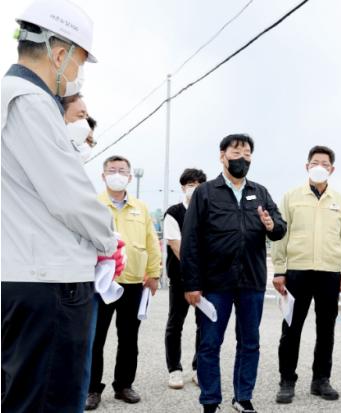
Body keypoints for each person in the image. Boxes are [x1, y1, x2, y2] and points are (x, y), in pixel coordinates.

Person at [1, 1, 124, 412]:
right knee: (49, 401)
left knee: (22, 397)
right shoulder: (30, 101)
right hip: (49, 283)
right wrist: (109, 240)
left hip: (20, 275)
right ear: (59, 54)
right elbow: (71, 199)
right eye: (79, 62)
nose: (78, 74)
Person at [181, 134, 287, 413]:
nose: (242, 158)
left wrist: (271, 225)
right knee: (209, 343)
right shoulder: (206, 192)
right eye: (236, 153)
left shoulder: (260, 192)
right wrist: (191, 283)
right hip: (215, 283)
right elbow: (190, 240)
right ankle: (210, 400)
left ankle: (243, 397)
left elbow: (280, 227)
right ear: (222, 156)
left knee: (250, 342)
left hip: (251, 280)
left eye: (247, 154)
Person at [271, 145, 341, 404]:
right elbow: (280, 235)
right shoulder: (291, 197)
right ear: (307, 166)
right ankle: (287, 380)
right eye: (315, 162)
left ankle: (321, 380)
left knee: (326, 329)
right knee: (291, 328)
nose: (320, 167)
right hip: (297, 271)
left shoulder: (339, 200)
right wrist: (279, 270)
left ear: (332, 169)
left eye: (325, 164)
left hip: (329, 272)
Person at [85, 155, 162, 410]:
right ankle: (91, 389)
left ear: (129, 176)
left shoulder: (141, 208)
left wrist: (154, 273)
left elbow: (151, 242)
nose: (116, 174)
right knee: (95, 338)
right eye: (112, 170)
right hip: (100, 283)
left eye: (121, 170)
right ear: (103, 175)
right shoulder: (93, 205)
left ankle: (124, 385)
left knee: (129, 338)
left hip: (133, 282)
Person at [164, 168, 207, 389]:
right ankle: (174, 370)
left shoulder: (209, 211)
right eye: (190, 184)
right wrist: (194, 273)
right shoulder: (173, 212)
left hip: (206, 280)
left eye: (199, 184)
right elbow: (177, 247)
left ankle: (199, 368)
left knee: (204, 325)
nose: (194, 188)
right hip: (181, 278)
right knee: (175, 324)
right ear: (183, 187)